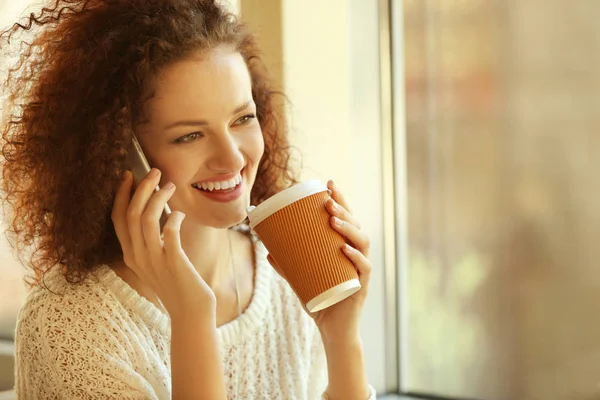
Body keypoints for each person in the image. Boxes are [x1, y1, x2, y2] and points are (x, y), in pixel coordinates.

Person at [0, 0, 376, 399]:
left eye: (242, 119)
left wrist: (341, 337)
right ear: (122, 156)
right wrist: (193, 317)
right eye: (189, 136)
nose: (232, 157)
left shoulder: (287, 281)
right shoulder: (68, 324)